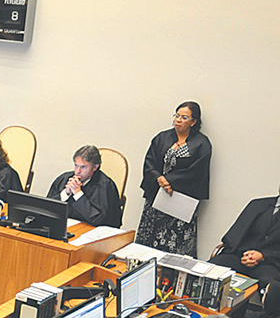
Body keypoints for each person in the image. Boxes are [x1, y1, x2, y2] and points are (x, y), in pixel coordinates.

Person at [135, 101, 212, 257]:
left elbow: (197, 172)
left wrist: (170, 181)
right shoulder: (162, 137)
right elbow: (149, 162)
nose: (178, 120)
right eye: (177, 116)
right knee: (148, 243)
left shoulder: (201, 143)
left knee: (175, 245)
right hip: (156, 196)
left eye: (184, 117)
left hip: (180, 202)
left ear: (193, 122)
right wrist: (159, 179)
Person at [209, 183, 280, 281]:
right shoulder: (257, 204)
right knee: (211, 269)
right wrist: (247, 255)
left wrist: (262, 256)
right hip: (240, 257)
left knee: (271, 283)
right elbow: (234, 236)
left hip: (271, 264)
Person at [46, 145, 122, 227]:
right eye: (76, 165)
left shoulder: (105, 186)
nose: (78, 171)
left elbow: (99, 220)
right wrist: (65, 194)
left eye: (83, 167)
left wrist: (78, 194)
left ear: (95, 167)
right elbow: (46, 208)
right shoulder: (64, 179)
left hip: (91, 231)